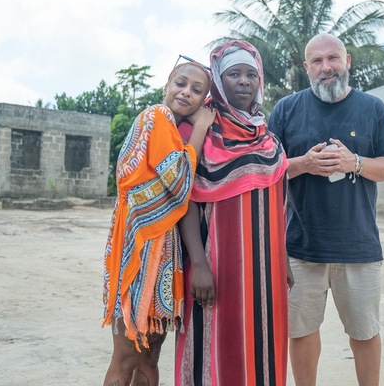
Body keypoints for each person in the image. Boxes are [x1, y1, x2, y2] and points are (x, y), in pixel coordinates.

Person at [267, 33, 384, 386]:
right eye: (317, 61)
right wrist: (304, 163)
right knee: (300, 331)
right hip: (300, 247)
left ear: (347, 62)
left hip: (358, 247)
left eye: (333, 59)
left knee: (364, 333)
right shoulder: (286, 109)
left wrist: (354, 161)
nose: (326, 67)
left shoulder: (373, 108)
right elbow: (265, 171)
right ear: (306, 68)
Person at [174, 40, 292, 386]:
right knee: (212, 346)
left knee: (264, 348)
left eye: (251, 74)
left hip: (266, 271)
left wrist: (281, 258)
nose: (244, 81)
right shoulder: (199, 131)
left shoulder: (268, 137)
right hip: (215, 266)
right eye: (233, 74)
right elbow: (186, 200)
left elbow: (279, 201)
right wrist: (199, 264)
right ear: (217, 82)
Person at [101, 60, 215, 386]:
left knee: (150, 354)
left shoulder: (170, 129)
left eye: (197, 90)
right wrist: (203, 128)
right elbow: (179, 180)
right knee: (127, 356)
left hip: (161, 254)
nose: (186, 92)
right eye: (181, 83)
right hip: (142, 253)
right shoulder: (157, 117)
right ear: (166, 85)